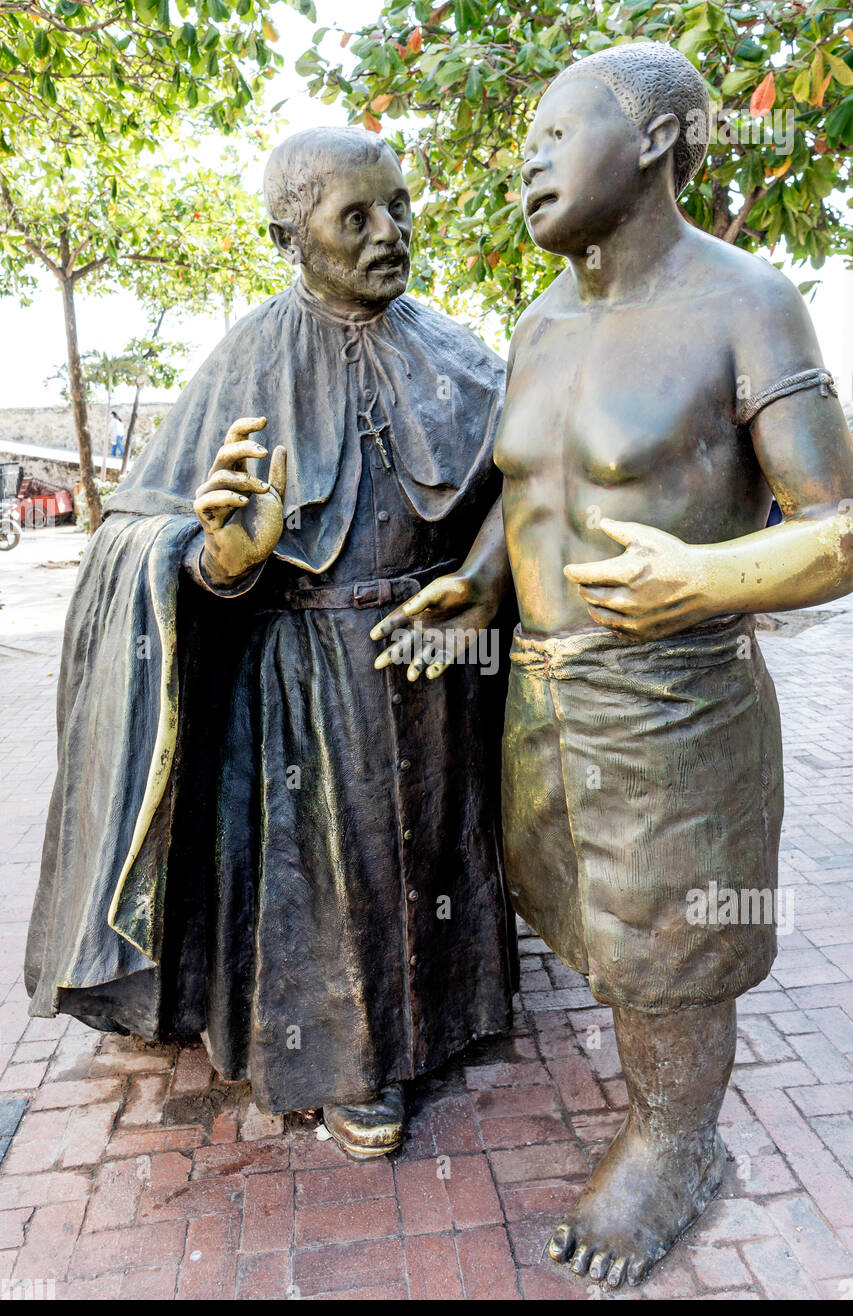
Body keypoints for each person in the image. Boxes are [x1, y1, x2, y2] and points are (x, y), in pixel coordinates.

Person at [380, 41, 853, 1283]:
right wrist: (481, 579)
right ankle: (666, 1116)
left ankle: (676, 1145)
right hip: (545, 689)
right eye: (524, 147)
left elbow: (837, 535)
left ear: (654, 140)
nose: (526, 162)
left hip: (673, 701)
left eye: (554, 131)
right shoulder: (540, 319)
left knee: (672, 943)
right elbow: (527, 482)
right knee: (592, 920)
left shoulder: (745, 301)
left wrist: (699, 578)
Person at [25, 127, 517, 1161]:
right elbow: (142, 541)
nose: (391, 233)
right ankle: (350, 1062)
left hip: (437, 665)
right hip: (307, 682)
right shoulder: (247, 358)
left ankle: (454, 1010)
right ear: (290, 233)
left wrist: (480, 584)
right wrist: (219, 561)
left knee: (435, 850)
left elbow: (533, 482)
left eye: (399, 207)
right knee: (332, 884)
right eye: (356, 217)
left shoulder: (458, 351)